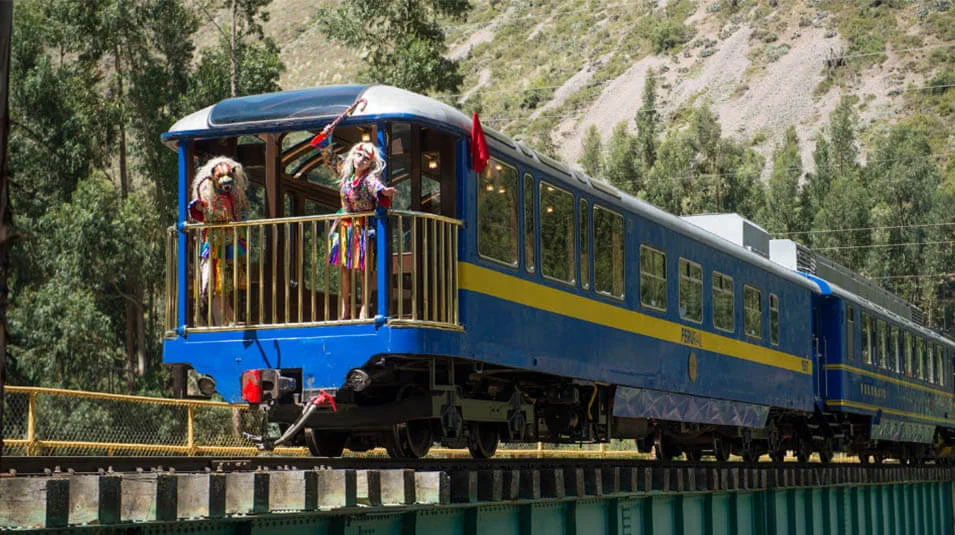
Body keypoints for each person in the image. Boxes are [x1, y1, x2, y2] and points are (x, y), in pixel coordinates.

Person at [328, 142, 396, 319]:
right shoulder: (346, 173)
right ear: (353, 155)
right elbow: (328, 156)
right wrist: (325, 136)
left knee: (364, 269)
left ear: (370, 164)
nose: (361, 161)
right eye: (359, 156)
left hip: (363, 227)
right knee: (344, 267)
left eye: (366, 159)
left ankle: (364, 308)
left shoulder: (368, 179)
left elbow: (376, 187)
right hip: (345, 226)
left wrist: (384, 192)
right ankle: (344, 308)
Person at [188, 156, 249, 325]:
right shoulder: (207, 199)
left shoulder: (232, 200)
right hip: (215, 246)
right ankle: (222, 321)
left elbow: (240, 216)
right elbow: (199, 213)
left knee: (226, 286)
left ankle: (229, 318)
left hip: (229, 244)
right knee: (216, 286)